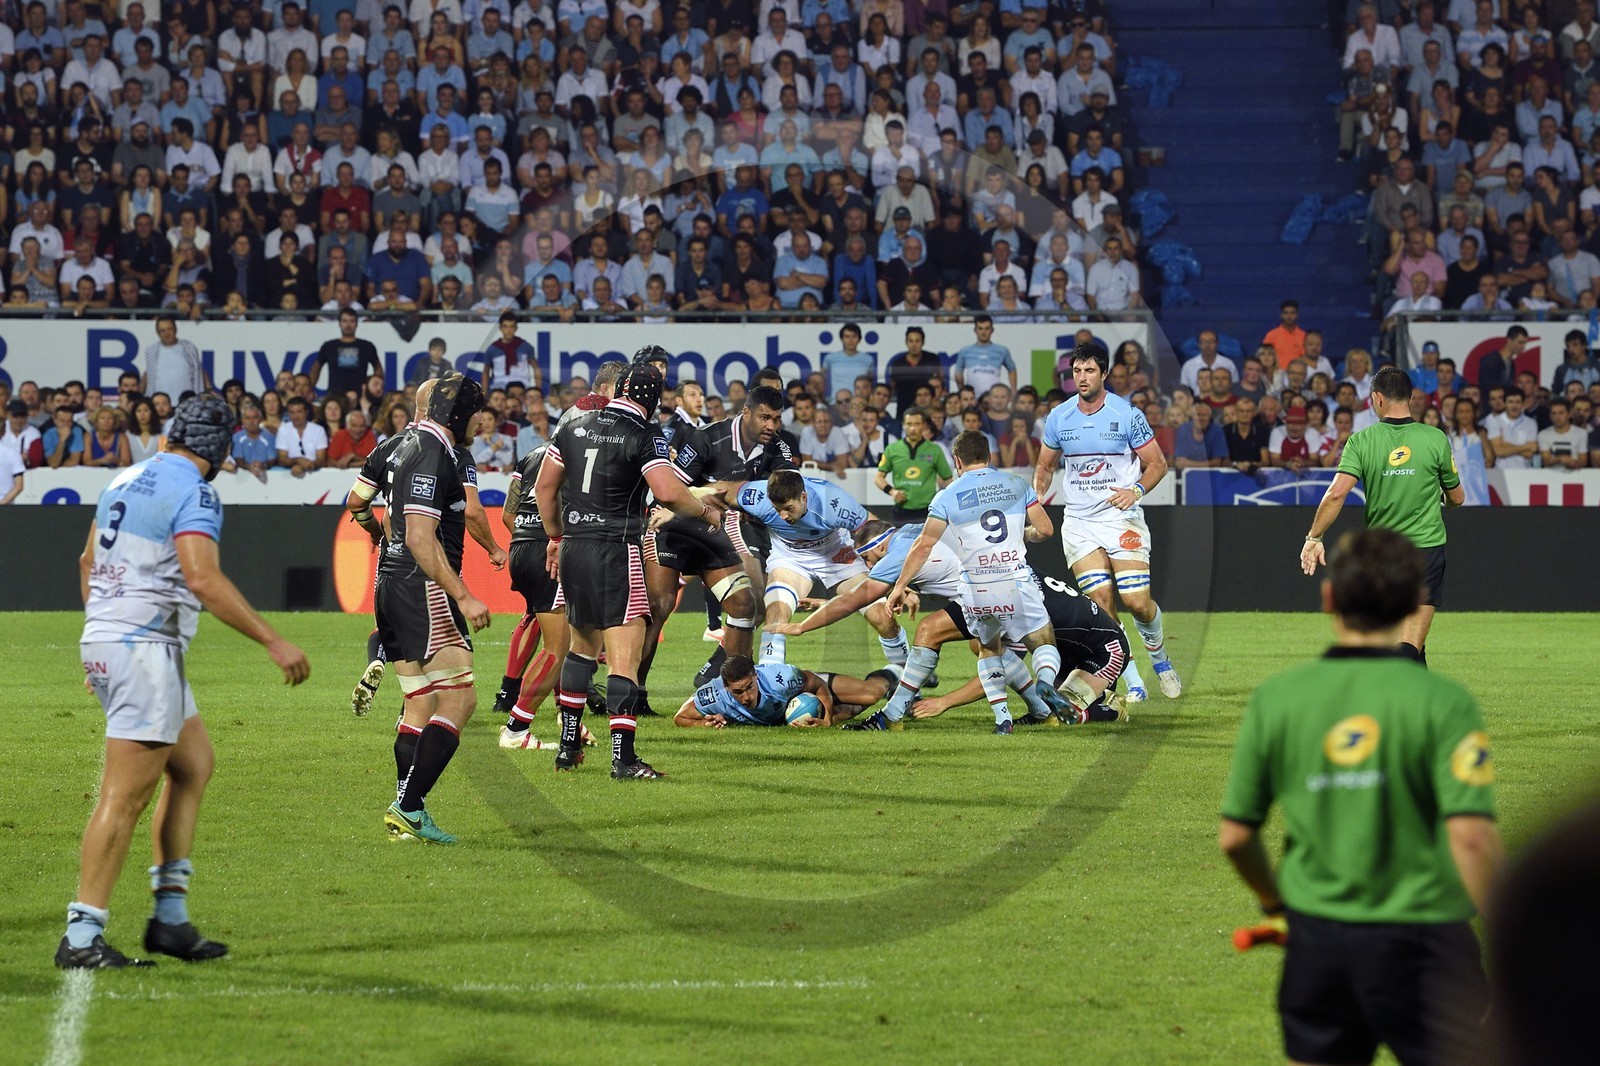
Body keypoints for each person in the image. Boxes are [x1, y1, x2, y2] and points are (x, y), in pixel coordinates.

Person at [1221, 527, 1503, 1066]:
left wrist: (1276, 904)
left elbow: (1236, 837)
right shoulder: (1445, 701)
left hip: (1319, 941)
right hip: (1425, 941)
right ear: (1411, 602)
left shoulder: (1278, 699)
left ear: (1329, 597)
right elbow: (1471, 840)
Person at [62, 396, 310, 968]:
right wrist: (274, 641)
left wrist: (101, 632)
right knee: (124, 796)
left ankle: (170, 920)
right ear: (218, 447)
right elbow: (202, 577)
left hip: (117, 639)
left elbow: (85, 561)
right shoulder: (195, 491)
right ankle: (81, 934)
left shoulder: (124, 477)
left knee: (193, 765)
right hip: (143, 649)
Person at [534, 363, 726, 779]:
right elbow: (668, 492)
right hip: (614, 549)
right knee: (624, 657)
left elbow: (544, 487)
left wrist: (556, 536)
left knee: (581, 648)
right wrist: (705, 511)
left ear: (619, 388)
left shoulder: (574, 424)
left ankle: (568, 746)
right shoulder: (644, 433)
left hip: (574, 547)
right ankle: (623, 760)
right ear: (653, 400)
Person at [855, 430, 1063, 733]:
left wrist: (899, 587)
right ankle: (1044, 691)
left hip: (976, 588)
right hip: (1016, 582)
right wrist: (1024, 535)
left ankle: (896, 714)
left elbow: (924, 545)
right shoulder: (1017, 484)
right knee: (1038, 643)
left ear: (956, 461)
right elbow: (1045, 530)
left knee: (971, 644)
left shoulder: (947, 495)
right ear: (989, 456)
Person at [378, 374, 494, 843]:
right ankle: (409, 807)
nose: (481, 422)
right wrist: (463, 594)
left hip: (392, 581)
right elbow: (420, 537)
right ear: (460, 413)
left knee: (420, 701)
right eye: (478, 413)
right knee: (460, 697)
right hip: (421, 587)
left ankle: (408, 808)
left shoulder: (406, 446)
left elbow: (385, 518)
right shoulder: (433, 453)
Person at [1034, 344, 1180, 702]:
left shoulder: (1126, 414)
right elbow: (1045, 466)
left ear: (1104, 374)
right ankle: (1133, 681)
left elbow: (1157, 463)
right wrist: (1036, 498)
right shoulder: (1059, 417)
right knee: (1100, 603)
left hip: (1120, 518)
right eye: (1077, 371)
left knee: (1137, 602)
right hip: (1079, 522)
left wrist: (1136, 490)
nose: (1081, 378)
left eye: (1089, 371)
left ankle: (1160, 660)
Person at [1301, 366, 1465, 666]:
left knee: (1406, 644)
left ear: (1377, 398)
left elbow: (1336, 494)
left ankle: (1405, 694)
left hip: (1383, 554)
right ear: (1410, 398)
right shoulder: (1435, 439)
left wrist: (1315, 537)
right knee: (1408, 645)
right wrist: (1438, 496)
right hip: (1426, 551)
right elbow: (1457, 498)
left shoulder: (1361, 441)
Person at [911, 572, 1129, 724]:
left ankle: (1112, 709)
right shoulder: (1015, 577)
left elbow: (999, 670)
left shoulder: (1020, 606)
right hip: (1066, 651)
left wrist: (944, 702)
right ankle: (1082, 697)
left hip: (1105, 651)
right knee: (980, 643)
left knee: (1061, 716)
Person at [733, 470, 872, 666]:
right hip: (790, 558)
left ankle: (902, 670)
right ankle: (769, 671)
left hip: (836, 553)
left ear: (804, 497)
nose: (783, 516)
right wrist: (703, 504)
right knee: (776, 613)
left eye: (789, 508)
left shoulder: (833, 502)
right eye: (778, 509)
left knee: (880, 614)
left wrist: (892, 577)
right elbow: (723, 491)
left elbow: (873, 530)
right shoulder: (758, 496)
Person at [674, 654, 853, 728]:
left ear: (755, 676)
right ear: (726, 687)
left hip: (799, 692)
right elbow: (680, 717)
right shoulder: (715, 696)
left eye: (749, 687)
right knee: (851, 709)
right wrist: (706, 724)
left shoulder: (782, 680)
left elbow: (818, 683)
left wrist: (827, 720)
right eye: (738, 692)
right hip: (780, 716)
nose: (747, 697)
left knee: (866, 694)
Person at [875, 406, 953, 520]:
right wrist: (892, 491)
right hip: (900, 511)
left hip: (927, 512)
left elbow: (948, 480)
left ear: (924, 425)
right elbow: (878, 477)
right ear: (903, 425)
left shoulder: (935, 450)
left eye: (917, 424)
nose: (912, 428)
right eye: (909, 424)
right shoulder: (892, 449)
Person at [308, 309, 383, 399]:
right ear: (339, 323)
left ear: (357, 324)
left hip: (360, 397)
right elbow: (316, 368)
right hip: (334, 397)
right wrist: (309, 389)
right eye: (345, 321)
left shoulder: (367, 346)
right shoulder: (329, 346)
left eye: (352, 321)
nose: (348, 325)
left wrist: (376, 387)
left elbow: (378, 368)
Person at [140, 315, 211, 400]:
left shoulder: (188, 347)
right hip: (161, 403)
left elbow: (197, 374)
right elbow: (151, 380)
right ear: (158, 333)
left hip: (186, 401)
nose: (166, 333)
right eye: (162, 331)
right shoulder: (151, 350)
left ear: (175, 329)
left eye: (169, 329)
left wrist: (198, 397)